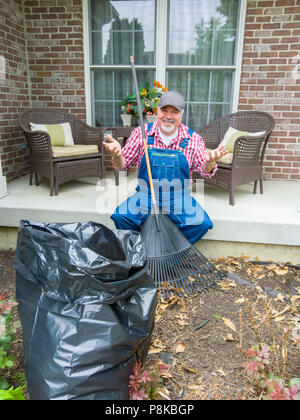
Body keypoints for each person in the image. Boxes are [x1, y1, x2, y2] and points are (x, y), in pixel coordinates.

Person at [103, 90, 228, 244]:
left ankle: (173, 252)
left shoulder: (193, 139)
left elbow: (205, 171)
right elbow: (122, 165)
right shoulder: (141, 134)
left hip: (178, 196)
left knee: (201, 223)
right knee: (121, 217)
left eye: (174, 112)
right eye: (164, 110)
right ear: (157, 111)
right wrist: (117, 155)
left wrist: (210, 162)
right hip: (146, 194)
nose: (168, 116)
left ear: (181, 114)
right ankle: (139, 251)